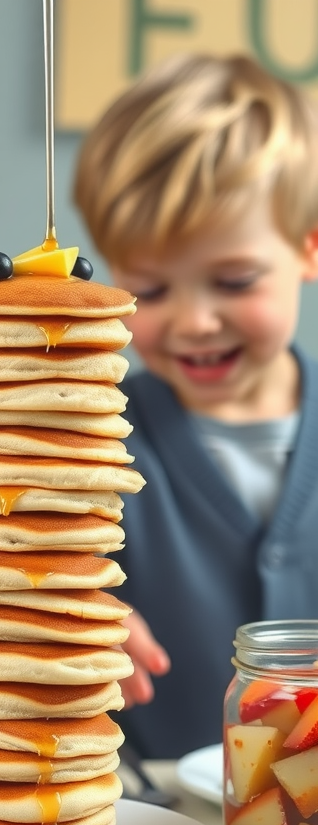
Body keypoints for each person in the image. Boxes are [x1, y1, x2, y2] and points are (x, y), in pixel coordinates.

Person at [74, 53, 318, 759]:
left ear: (307, 249)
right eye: (151, 291)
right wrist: (72, 617)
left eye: (234, 281)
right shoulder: (91, 439)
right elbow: (19, 584)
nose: (194, 322)